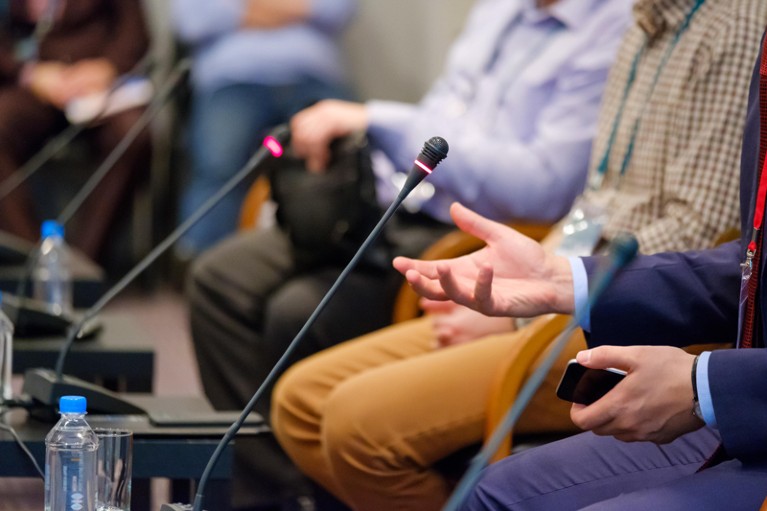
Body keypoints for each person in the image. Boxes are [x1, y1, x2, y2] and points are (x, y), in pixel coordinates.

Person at [269, 1, 767, 510]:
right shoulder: (644, 15)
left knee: (359, 424)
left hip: (642, 322)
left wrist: (544, 309)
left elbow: (701, 227)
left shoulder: (733, 23)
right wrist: (554, 275)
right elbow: (596, 198)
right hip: (590, 276)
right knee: (301, 401)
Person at [186, 0, 632, 508]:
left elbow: (542, 186)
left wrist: (378, 119)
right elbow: (441, 114)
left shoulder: (610, 26)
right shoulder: (502, 9)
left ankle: (313, 493)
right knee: (218, 280)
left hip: (472, 229)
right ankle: (278, 492)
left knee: (299, 311)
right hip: (395, 199)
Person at [172, 0, 357, 259]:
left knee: (350, 155)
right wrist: (295, 9)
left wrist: (245, 9)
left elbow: (337, 9)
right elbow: (193, 21)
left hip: (312, 76)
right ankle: (205, 264)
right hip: (232, 79)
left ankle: (346, 258)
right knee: (219, 163)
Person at [0, 0, 151, 260]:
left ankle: (83, 267)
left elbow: (135, 32)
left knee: (132, 134)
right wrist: (28, 73)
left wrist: (107, 68)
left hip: (99, 84)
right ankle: (34, 264)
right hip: (35, 81)